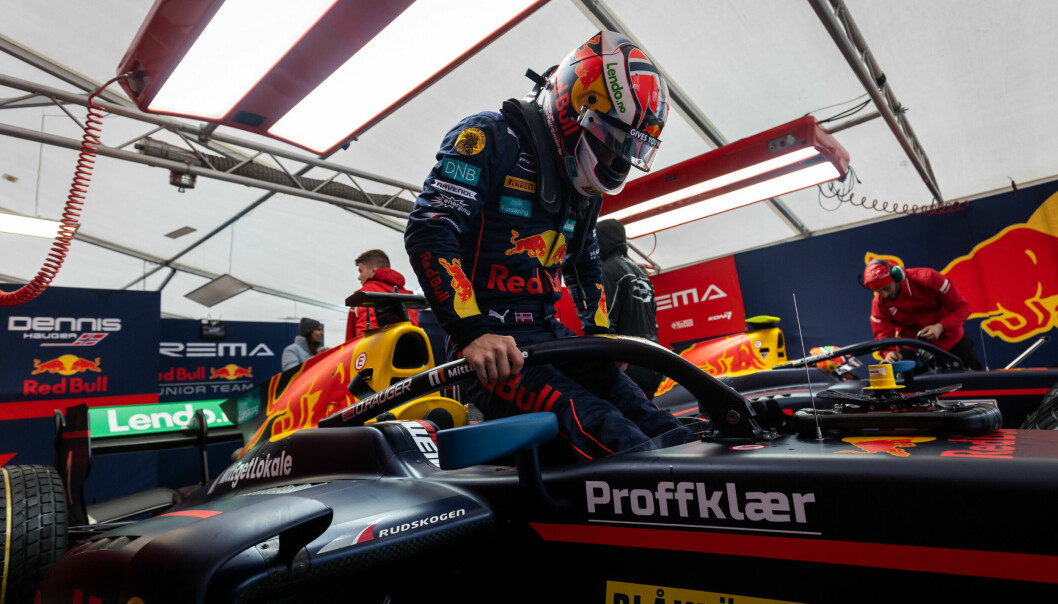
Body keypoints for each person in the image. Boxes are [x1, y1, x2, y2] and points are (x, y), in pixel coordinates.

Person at [404, 31, 692, 460]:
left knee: (661, 426)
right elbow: (430, 228)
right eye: (611, 141)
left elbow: (586, 262)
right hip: (492, 351)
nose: (614, 159)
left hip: (551, 336)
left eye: (626, 149)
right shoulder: (489, 136)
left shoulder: (585, 193)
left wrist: (601, 337)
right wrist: (472, 333)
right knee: (614, 436)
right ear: (574, 108)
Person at [863, 259, 983, 370]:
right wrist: (888, 353)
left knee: (975, 381)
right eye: (878, 291)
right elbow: (883, 336)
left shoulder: (928, 278)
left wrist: (941, 327)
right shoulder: (879, 303)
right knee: (909, 384)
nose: (884, 295)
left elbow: (962, 308)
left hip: (951, 340)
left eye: (887, 288)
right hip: (913, 347)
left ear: (897, 276)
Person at [596, 218, 664, 398]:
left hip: (628, 363)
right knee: (647, 411)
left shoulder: (608, 270)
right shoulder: (641, 272)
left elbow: (606, 320)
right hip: (653, 359)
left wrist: (610, 360)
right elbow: (652, 320)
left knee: (626, 413)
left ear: (602, 240)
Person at [346, 249, 419, 340]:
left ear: (373, 271)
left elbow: (365, 336)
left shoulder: (365, 295)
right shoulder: (407, 297)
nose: (359, 277)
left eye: (361, 271)